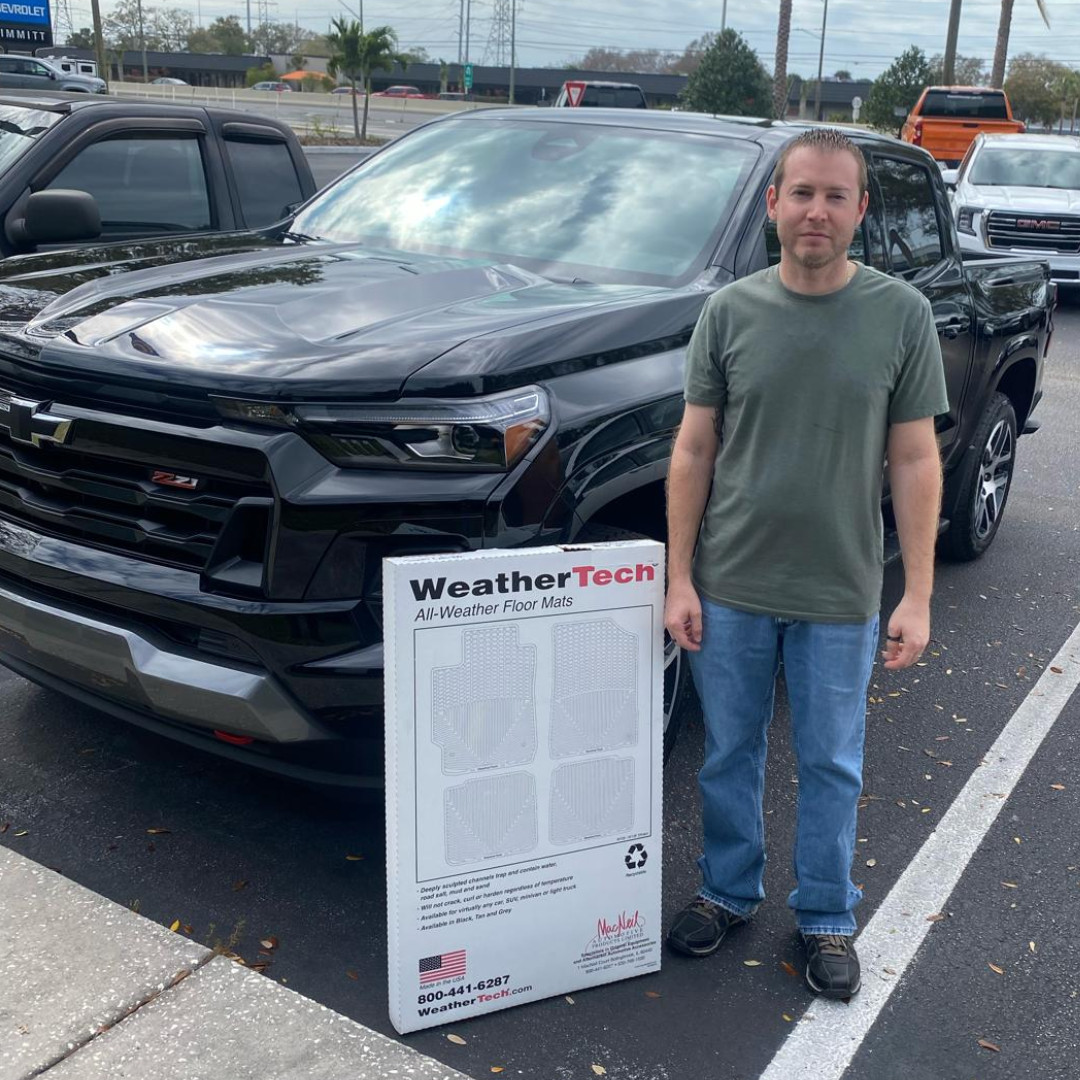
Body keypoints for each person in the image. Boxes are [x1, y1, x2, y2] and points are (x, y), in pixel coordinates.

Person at [664, 128, 948, 999]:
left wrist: (920, 594)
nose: (816, 211)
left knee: (832, 760)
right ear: (772, 205)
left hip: (839, 591)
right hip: (733, 584)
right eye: (801, 194)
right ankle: (727, 890)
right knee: (728, 753)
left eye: (834, 196)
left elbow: (914, 459)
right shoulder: (730, 312)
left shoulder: (900, 314)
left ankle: (826, 913)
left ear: (861, 210)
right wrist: (679, 576)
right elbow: (695, 449)